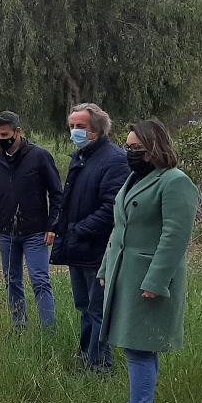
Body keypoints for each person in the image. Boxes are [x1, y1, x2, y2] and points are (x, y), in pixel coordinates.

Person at [99, 119, 198, 403]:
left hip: (147, 280)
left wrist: (156, 280)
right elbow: (119, 228)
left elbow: (175, 236)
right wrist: (105, 266)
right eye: (127, 147)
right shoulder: (134, 179)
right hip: (124, 275)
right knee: (134, 347)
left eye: (136, 149)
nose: (129, 153)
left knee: (140, 349)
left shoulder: (174, 182)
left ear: (155, 148)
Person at [49, 103, 129, 372]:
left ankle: (99, 368)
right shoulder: (81, 156)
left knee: (98, 310)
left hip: (98, 249)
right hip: (78, 248)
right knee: (85, 307)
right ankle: (85, 360)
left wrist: (78, 230)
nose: (75, 131)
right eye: (72, 126)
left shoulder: (115, 159)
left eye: (80, 126)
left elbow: (112, 207)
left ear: (97, 128)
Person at [0, 111, 63, 328]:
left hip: (35, 231)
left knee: (40, 281)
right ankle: (19, 327)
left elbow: (57, 193)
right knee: (11, 281)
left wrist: (53, 225)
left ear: (18, 132)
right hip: (6, 232)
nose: (1, 139)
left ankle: (49, 332)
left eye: (5, 134)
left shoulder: (39, 156)